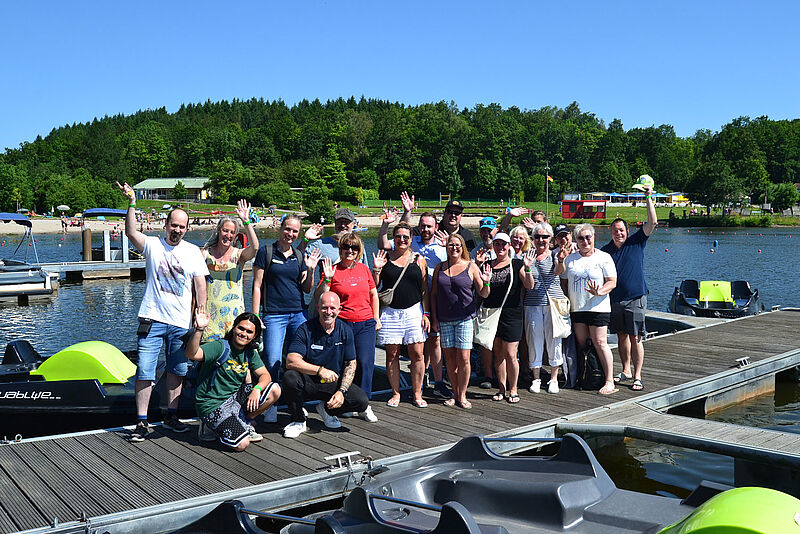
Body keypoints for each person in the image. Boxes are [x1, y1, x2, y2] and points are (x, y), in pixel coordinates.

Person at [116, 181, 209, 442]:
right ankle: (142, 422)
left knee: (177, 369)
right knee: (145, 369)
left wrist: (200, 314)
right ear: (165, 225)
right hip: (152, 318)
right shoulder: (153, 245)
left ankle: (171, 416)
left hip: (181, 322)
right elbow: (131, 232)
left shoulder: (192, 252)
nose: (177, 230)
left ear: (186, 228)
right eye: (174, 225)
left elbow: (200, 283)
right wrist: (132, 202)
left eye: (182, 226)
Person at [251, 214, 322, 422]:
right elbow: (257, 285)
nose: (290, 234)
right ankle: (270, 403)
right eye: (287, 229)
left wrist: (310, 269)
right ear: (280, 229)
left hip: (298, 313)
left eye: (294, 231)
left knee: (301, 360)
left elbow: (307, 288)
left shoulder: (299, 256)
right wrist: (256, 315)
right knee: (273, 361)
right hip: (274, 315)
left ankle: (297, 402)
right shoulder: (267, 252)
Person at [282, 292, 375, 438]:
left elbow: (351, 363)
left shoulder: (345, 331)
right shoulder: (305, 329)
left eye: (333, 308)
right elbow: (291, 360)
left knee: (361, 401)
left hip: (332, 382)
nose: (329, 312)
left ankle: (326, 409)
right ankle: (298, 420)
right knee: (290, 377)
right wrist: (319, 370)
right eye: (325, 308)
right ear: (318, 308)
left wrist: (341, 391)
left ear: (339, 309)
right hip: (308, 380)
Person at [185, 312, 280, 451]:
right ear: (234, 328)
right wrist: (199, 330)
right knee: (242, 444)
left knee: (275, 389)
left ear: (254, 336)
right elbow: (192, 354)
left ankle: (243, 421)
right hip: (212, 404)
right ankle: (210, 426)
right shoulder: (220, 346)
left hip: (234, 399)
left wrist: (256, 390)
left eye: (249, 332)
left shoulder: (250, 352)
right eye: (241, 328)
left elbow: (265, 375)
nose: (244, 334)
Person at [386, 196, 451, 399]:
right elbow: (401, 230)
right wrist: (407, 211)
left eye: (429, 226)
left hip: (436, 298)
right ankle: (421, 382)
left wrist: (449, 246)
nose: (425, 229)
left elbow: (458, 264)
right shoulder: (411, 241)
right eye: (422, 226)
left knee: (435, 341)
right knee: (420, 346)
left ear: (436, 227)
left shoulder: (443, 247)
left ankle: (437, 381)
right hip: (416, 299)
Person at [600, 182, 657, 392]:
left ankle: (637, 375)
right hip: (615, 300)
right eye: (615, 230)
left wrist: (649, 198)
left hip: (635, 297)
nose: (619, 233)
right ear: (611, 232)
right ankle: (624, 370)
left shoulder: (637, 241)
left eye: (622, 230)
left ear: (627, 230)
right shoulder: (605, 251)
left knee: (635, 337)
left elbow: (653, 222)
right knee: (621, 336)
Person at [316, 232, 380, 403]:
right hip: (342, 323)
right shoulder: (333, 270)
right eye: (346, 247)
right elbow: (321, 297)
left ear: (359, 250)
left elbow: (374, 294)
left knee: (365, 362)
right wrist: (326, 280)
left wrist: (376, 318)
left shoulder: (364, 269)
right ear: (340, 249)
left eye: (354, 247)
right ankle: (338, 398)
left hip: (365, 322)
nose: (350, 250)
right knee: (341, 363)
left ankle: (363, 401)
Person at [373, 222, 430, 408]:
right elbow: (374, 287)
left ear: (411, 239)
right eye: (398, 236)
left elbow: (424, 290)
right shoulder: (386, 257)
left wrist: (426, 313)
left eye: (406, 237)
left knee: (417, 355)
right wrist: (376, 269)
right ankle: (396, 393)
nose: (402, 240)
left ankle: (417, 393)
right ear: (394, 238)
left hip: (414, 311)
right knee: (392, 355)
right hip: (390, 312)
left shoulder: (418, 259)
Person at [431, 233, 490, 409]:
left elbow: (484, 294)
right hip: (445, 319)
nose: (454, 248)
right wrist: (434, 318)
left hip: (465, 318)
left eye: (457, 245)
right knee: (450, 359)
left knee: (464, 358)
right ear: (446, 247)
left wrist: (486, 282)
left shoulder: (471, 267)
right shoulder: (439, 268)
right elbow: (434, 295)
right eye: (450, 245)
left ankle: (462, 395)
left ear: (462, 247)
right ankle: (454, 393)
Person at [560, 224, 618, 395]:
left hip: (598, 307)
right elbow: (564, 283)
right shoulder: (570, 259)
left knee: (600, 343)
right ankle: (586, 376)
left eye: (588, 237)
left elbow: (612, 282)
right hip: (578, 308)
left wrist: (599, 291)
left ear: (593, 237)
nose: (585, 241)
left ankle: (609, 380)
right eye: (581, 238)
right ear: (576, 240)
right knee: (582, 344)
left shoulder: (604, 257)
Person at [479, 233, 528, 404]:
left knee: (510, 353)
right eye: (497, 244)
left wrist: (528, 269)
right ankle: (501, 388)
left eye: (504, 244)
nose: (500, 247)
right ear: (493, 245)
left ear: (509, 246)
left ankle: (513, 389)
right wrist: (485, 281)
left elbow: (529, 285)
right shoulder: (486, 265)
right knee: (498, 353)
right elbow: (484, 294)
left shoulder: (517, 264)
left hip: (512, 313)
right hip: (492, 314)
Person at [201, 200, 258, 342]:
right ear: (218, 230)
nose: (228, 235)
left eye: (232, 232)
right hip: (210, 315)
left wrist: (246, 222)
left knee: (233, 356)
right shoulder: (205, 254)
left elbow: (255, 247)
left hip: (234, 315)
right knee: (209, 355)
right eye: (225, 230)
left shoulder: (239, 255)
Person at [522, 223, 568, 394]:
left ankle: (554, 378)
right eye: (537, 237)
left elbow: (558, 271)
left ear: (550, 239)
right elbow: (529, 285)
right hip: (533, 304)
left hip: (553, 304)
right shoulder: (528, 256)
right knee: (534, 340)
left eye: (545, 237)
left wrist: (562, 259)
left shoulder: (556, 254)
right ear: (532, 239)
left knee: (554, 340)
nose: (541, 240)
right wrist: (527, 268)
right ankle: (536, 378)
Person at [553, 223, 578, 388]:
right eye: (560, 236)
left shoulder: (581, 249)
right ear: (555, 239)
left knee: (580, 342)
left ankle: (581, 375)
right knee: (563, 342)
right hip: (560, 304)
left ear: (571, 235)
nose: (564, 239)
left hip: (579, 303)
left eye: (566, 235)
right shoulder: (553, 254)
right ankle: (566, 376)